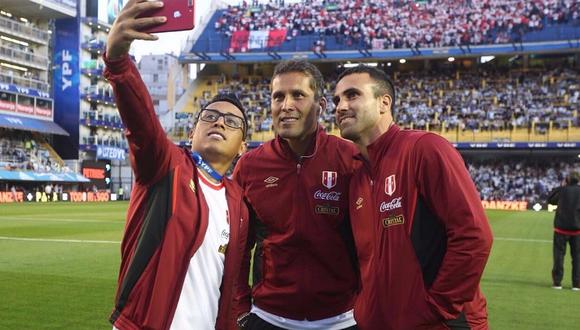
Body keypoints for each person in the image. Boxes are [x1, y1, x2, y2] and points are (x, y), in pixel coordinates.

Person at [104, 1, 249, 329]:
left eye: (231, 121)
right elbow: (141, 124)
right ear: (194, 130)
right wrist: (119, 62)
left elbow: (229, 288)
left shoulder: (238, 202)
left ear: (242, 146)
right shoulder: (166, 165)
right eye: (209, 116)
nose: (219, 123)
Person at [333, 65, 493, 330]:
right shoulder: (357, 177)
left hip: (438, 323)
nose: (340, 106)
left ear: (384, 103)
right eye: (337, 99)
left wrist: (437, 307)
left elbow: (474, 236)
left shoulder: (425, 149)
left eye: (352, 95)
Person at [233, 60, 360, 329]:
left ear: (321, 106)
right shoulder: (250, 165)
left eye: (298, 95)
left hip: (341, 318)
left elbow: (371, 245)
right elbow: (238, 248)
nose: (286, 105)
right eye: (278, 97)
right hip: (268, 316)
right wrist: (241, 307)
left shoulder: (351, 159)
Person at [547, 171, 580, 290]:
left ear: (567, 180)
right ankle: (576, 284)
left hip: (561, 228)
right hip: (577, 230)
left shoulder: (562, 190)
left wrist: (561, 186)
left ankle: (557, 282)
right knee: (577, 257)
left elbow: (550, 199)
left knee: (558, 256)